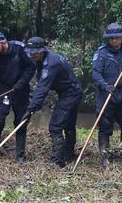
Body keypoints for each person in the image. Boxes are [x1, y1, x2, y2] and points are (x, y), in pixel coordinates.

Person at [21, 37, 82, 167]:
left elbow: (43, 88)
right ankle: (69, 153)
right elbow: (41, 85)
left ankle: (57, 160)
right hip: (66, 92)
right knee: (68, 124)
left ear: (43, 50)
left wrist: (31, 109)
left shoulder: (51, 63)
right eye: (30, 52)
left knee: (56, 126)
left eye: (35, 52)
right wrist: (34, 104)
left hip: (71, 93)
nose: (32, 54)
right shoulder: (41, 59)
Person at [0, 32, 35, 166]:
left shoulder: (19, 49)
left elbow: (31, 67)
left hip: (20, 88)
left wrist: (22, 82)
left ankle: (20, 156)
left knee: (21, 120)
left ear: (4, 43)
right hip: (3, 88)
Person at [92, 22, 122, 167]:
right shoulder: (101, 53)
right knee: (105, 124)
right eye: (111, 38)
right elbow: (95, 73)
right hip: (106, 94)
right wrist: (105, 86)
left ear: (121, 38)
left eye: (117, 38)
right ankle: (104, 154)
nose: (114, 41)